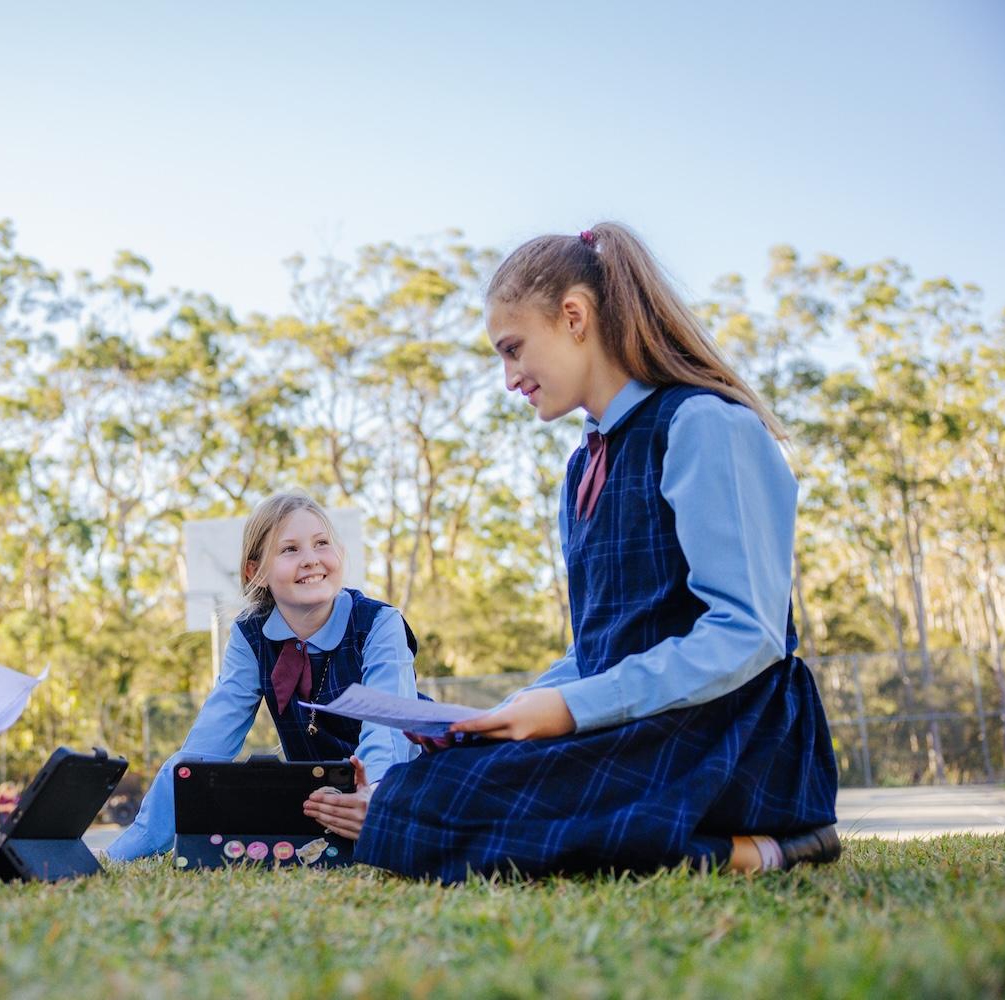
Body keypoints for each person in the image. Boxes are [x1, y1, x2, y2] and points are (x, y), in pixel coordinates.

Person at [306, 223, 840, 882]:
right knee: (437, 779)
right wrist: (504, 715)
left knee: (445, 805)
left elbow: (746, 637)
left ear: (574, 316)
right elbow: (602, 646)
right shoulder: (582, 466)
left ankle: (768, 846)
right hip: (637, 720)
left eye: (513, 349)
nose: (508, 379)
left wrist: (568, 710)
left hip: (730, 730)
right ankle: (722, 845)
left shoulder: (704, 425)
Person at [108, 490, 419, 861]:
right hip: (322, 799)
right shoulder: (251, 636)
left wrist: (374, 797)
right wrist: (125, 852)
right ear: (256, 571)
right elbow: (206, 746)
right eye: (290, 550)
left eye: (321, 543)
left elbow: (387, 726)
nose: (311, 560)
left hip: (403, 782)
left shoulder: (379, 623)